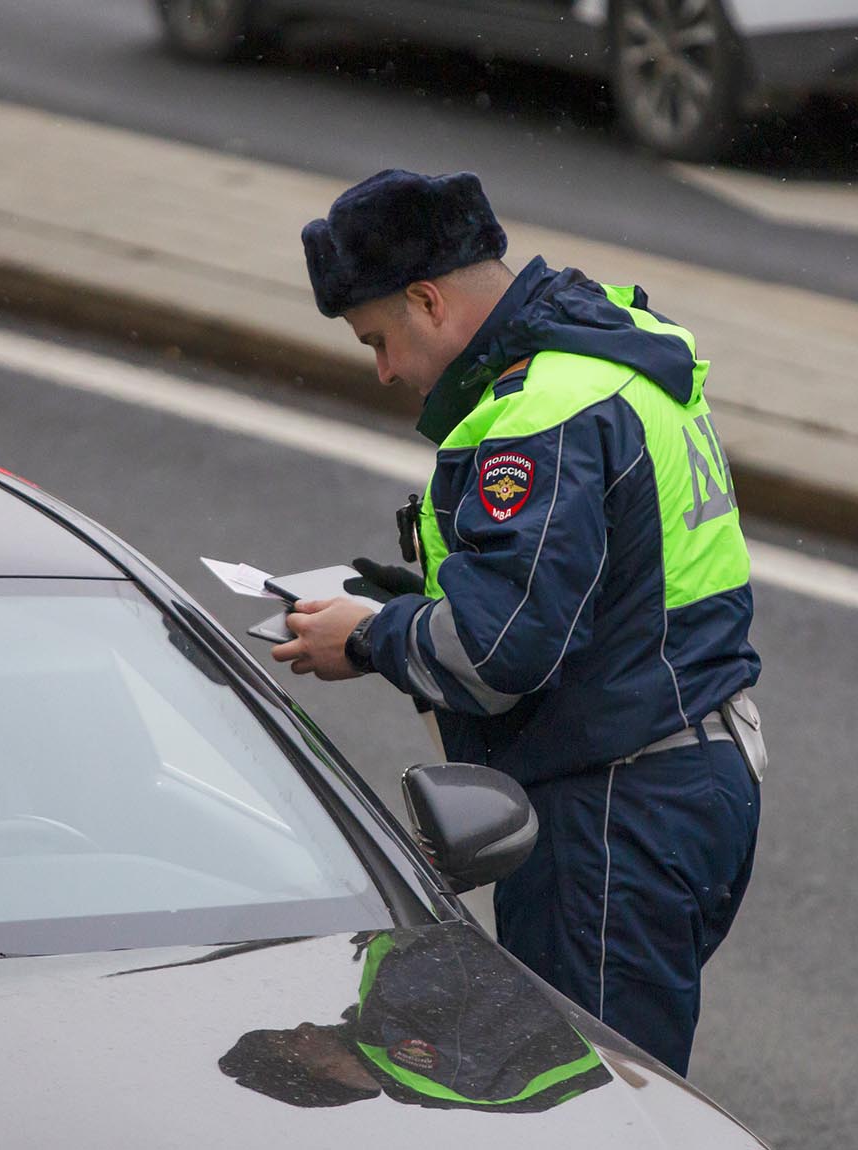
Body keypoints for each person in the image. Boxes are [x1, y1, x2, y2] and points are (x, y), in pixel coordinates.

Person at [274, 169, 763, 1076]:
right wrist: (414, 599)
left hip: (611, 815)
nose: (383, 371)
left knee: (591, 1104)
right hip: (694, 774)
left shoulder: (542, 412)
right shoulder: (616, 349)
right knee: (622, 1084)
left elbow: (501, 652)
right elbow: (614, 584)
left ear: (428, 300)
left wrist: (371, 637)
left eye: (378, 339)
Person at [218, 928, 612, 1112]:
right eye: (292, 1039)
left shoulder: (419, 1077)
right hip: (596, 951)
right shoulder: (401, 1039)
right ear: (321, 1073)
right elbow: (453, 937)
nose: (304, 1026)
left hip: (612, 991)